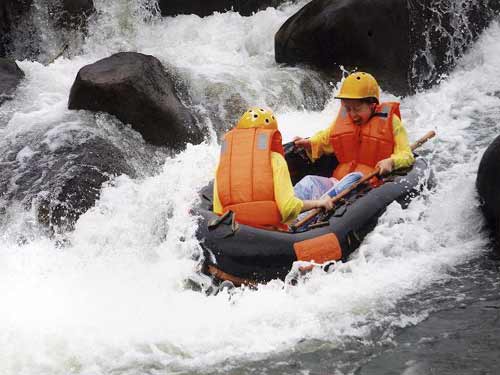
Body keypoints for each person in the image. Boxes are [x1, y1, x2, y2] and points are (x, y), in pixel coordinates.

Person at [293, 72, 415, 201]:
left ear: (372, 104)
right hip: (337, 183)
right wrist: (309, 143)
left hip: (366, 188)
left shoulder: (391, 122)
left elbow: (406, 155)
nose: (352, 114)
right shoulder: (345, 117)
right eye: (348, 108)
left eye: (357, 109)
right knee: (308, 183)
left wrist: (392, 161)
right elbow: (326, 138)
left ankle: (326, 201)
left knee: (354, 178)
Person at [213, 107, 333, 229]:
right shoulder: (276, 160)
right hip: (271, 233)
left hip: (237, 232)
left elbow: (218, 211)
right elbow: (288, 209)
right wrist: (318, 203)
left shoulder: (223, 164)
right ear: (269, 135)